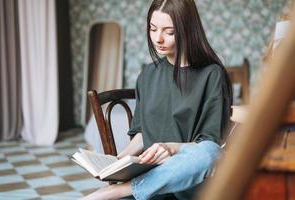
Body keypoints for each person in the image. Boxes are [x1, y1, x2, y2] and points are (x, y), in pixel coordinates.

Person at [81, 0, 232, 199]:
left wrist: (171, 148)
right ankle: (127, 187)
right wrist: (118, 160)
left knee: (210, 153)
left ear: (187, 30)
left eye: (169, 32)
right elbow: (144, 133)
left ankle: (116, 191)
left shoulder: (212, 74)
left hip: (190, 181)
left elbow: (210, 144)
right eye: (153, 29)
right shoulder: (148, 74)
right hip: (152, 176)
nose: (158, 38)